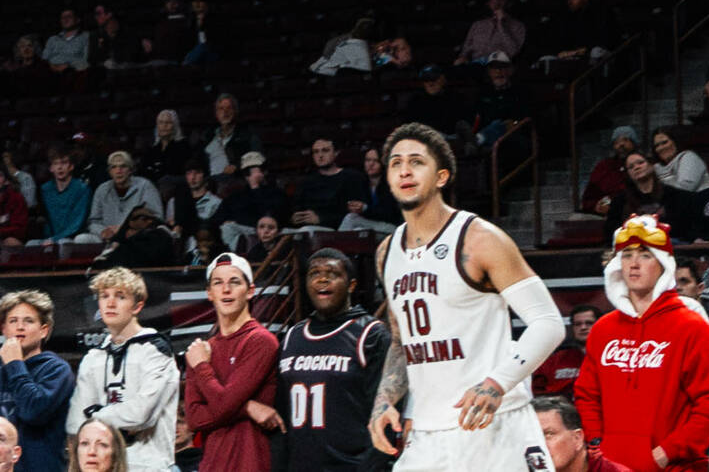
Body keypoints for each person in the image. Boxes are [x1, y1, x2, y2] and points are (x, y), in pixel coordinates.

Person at [367, 122, 566, 467]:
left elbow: (548, 323)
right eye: (396, 163)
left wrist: (496, 384)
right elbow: (402, 342)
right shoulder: (387, 252)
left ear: (441, 176)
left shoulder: (479, 239)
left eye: (417, 161)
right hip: (427, 433)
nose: (405, 170)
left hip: (495, 425)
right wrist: (384, 401)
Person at [574, 217, 709, 471]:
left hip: (675, 466)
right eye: (627, 255)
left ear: (663, 265)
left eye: (645, 255)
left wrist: (665, 454)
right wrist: (597, 445)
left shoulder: (692, 327)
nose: (634, 264)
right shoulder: (603, 329)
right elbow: (587, 395)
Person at [275, 250, 391, 471]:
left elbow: (385, 413)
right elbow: (280, 414)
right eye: (314, 273)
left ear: (351, 285)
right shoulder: (292, 337)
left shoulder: (371, 335)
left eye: (332, 273)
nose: (322, 279)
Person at [63, 267, 176, 471]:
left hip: (148, 465)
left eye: (120, 296)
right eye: (104, 296)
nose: (111, 303)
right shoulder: (93, 358)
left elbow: (140, 415)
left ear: (137, 306)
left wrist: (96, 415)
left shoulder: (156, 351)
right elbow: (75, 424)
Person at [182, 254, 277, 472]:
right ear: (209, 293)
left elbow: (224, 406)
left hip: (251, 464)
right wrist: (249, 408)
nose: (226, 290)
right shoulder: (201, 350)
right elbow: (195, 419)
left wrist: (202, 367)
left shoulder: (260, 341)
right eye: (218, 283)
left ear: (250, 291)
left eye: (234, 282)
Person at [0, 291, 71, 472]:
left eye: (28, 321)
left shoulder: (57, 370)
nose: (20, 327)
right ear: (4, 330)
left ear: (44, 330)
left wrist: (14, 364)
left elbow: (32, 411)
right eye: (13, 321)